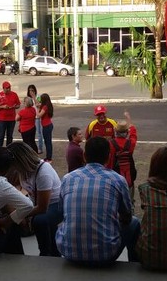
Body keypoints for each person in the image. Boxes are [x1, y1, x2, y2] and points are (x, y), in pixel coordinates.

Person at [55, 136, 140, 267]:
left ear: (84, 155)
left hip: (68, 251)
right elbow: (127, 216)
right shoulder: (117, 180)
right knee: (134, 222)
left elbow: (61, 212)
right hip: (105, 254)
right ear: (108, 156)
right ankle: (134, 265)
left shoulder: (68, 178)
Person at [8, 142, 62, 257]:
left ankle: (45, 254)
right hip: (36, 202)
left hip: (55, 204)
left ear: (19, 161)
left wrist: (19, 215)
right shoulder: (21, 170)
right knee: (13, 216)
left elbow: (42, 207)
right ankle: (16, 253)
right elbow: (11, 187)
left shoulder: (43, 172)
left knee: (40, 221)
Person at [109, 112, 137, 199]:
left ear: (116, 131)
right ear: (126, 132)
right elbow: (133, 131)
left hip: (115, 175)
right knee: (129, 198)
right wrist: (128, 119)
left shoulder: (111, 144)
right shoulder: (131, 143)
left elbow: (109, 161)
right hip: (129, 175)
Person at [0, 81, 21, 147]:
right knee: (1, 136)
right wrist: (2, 106)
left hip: (11, 119)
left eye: (9, 88)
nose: (8, 89)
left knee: (10, 136)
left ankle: (9, 150)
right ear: (3, 88)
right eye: (7, 88)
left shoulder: (14, 94)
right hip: (2, 119)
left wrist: (14, 106)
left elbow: (18, 105)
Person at [27, 84, 44, 155]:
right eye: (30, 90)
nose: (31, 92)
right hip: (30, 117)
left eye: (32, 90)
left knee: (39, 133)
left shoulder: (38, 97)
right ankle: (32, 148)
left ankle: (40, 148)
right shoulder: (28, 98)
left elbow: (38, 105)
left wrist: (34, 97)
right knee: (30, 133)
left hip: (37, 117)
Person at [37, 93, 54, 162]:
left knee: (47, 142)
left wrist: (38, 108)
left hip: (46, 126)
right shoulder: (49, 105)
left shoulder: (44, 107)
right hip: (48, 125)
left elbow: (39, 116)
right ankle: (48, 157)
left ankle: (49, 158)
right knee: (48, 142)